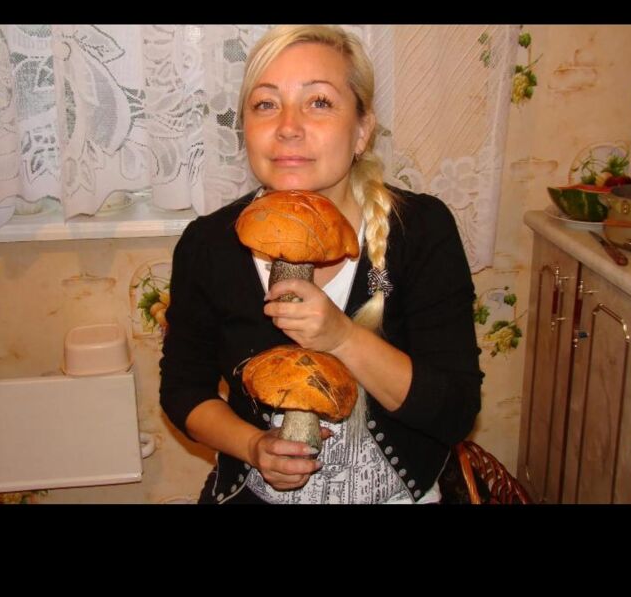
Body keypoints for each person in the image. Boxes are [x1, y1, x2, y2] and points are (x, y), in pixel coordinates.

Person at [159, 25, 483, 504]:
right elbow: (184, 390)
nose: (288, 126)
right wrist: (252, 445)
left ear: (362, 130)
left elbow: (455, 410)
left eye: (319, 102)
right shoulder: (208, 244)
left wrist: (343, 338)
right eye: (265, 104)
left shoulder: (420, 230)